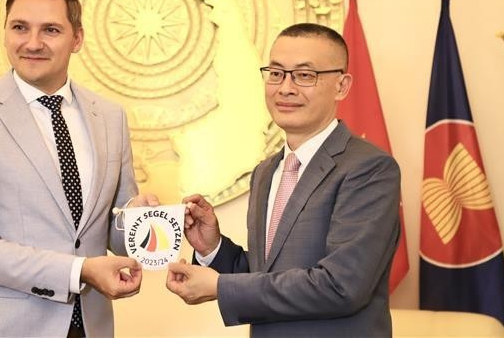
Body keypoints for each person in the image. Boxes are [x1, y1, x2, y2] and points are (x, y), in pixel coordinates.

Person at [0, 0, 158, 337]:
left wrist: (140, 221)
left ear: (77, 39)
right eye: (20, 27)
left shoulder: (110, 117)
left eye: (50, 30)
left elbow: (112, 233)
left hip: (89, 327)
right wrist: (78, 270)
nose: (32, 43)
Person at [166, 23, 401, 336]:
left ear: (341, 86)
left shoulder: (369, 168)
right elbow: (268, 274)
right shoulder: (266, 171)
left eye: (304, 75)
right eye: (276, 73)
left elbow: (341, 285)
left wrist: (221, 286)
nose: (285, 88)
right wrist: (213, 248)